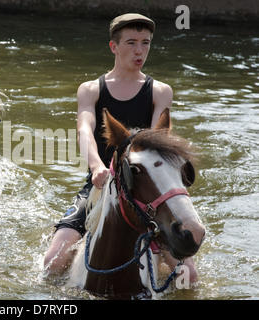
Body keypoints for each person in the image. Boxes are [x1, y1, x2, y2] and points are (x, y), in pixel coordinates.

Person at [44, 13, 198, 282]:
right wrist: (96, 167)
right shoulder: (90, 89)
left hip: (145, 191)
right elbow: (84, 129)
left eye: (145, 43)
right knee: (53, 263)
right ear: (114, 47)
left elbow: (160, 142)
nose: (140, 51)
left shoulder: (160, 91)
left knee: (190, 275)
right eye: (131, 43)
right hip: (100, 184)